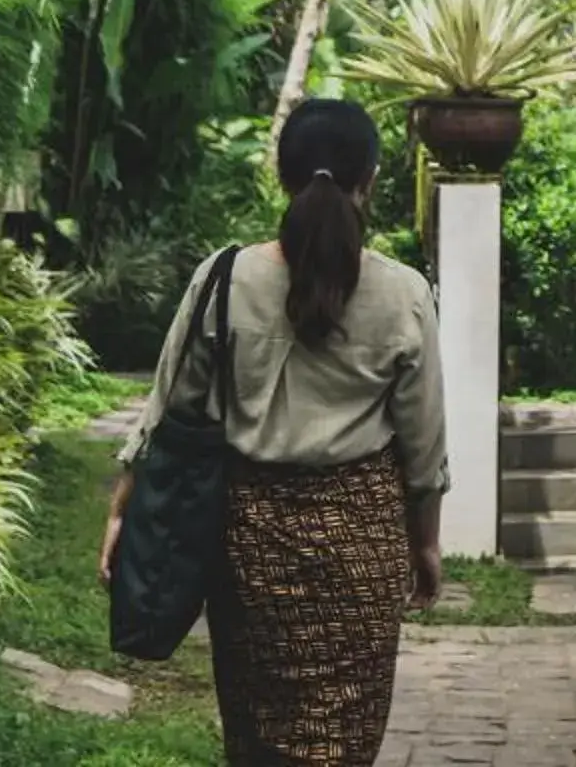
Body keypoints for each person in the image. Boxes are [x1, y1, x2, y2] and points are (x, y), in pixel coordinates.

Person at [99, 100, 447, 765]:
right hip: (362, 546)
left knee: (256, 733)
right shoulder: (403, 292)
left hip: (246, 543)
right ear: (369, 179)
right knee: (343, 738)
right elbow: (422, 445)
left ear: (282, 176)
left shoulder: (225, 277)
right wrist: (424, 544)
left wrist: (124, 507)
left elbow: (168, 407)